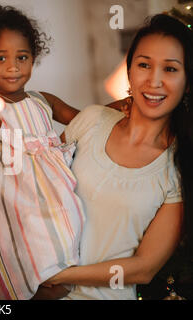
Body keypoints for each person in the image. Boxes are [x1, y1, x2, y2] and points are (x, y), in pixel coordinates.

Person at [0, 5, 126, 300]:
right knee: (31, 260)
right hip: (21, 203)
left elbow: (89, 119)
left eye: (22, 58)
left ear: (33, 59)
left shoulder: (43, 101)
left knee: (67, 253)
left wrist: (125, 107)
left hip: (60, 196)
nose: (13, 67)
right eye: (1, 58)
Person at [40, 13, 192, 300]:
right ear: (130, 71)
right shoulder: (92, 120)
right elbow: (39, 186)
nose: (154, 80)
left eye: (170, 69)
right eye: (144, 65)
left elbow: (144, 268)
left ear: (187, 81)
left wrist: (60, 275)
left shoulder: (178, 169)